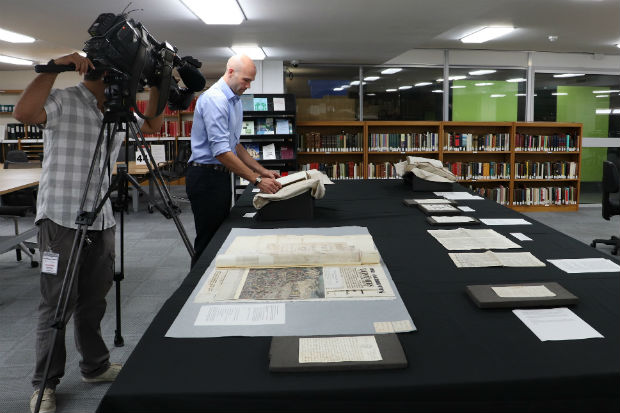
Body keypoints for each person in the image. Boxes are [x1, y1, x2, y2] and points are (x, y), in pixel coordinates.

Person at [13, 52, 163, 413]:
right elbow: (24, 114)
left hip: (101, 218)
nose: (133, 86)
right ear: (110, 74)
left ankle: (94, 366)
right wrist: (53, 69)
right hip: (61, 218)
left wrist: (160, 81)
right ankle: (44, 383)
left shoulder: (117, 112)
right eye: (131, 79)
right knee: (57, 304)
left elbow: (152, 127)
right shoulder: (65, 100)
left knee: (94, 300)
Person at [186, 54, 282, 267]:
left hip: (219, 176)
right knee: (208, 241)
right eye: (246, 80)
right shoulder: (214, 99)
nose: (248, 86)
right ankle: (195, 290)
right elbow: (221, 151)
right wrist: (257, 181)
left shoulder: (234, 101)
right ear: (230, 72)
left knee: (219, 237)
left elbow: (234, 145)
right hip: (204, 177)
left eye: (251, 81)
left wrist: (262, 170)